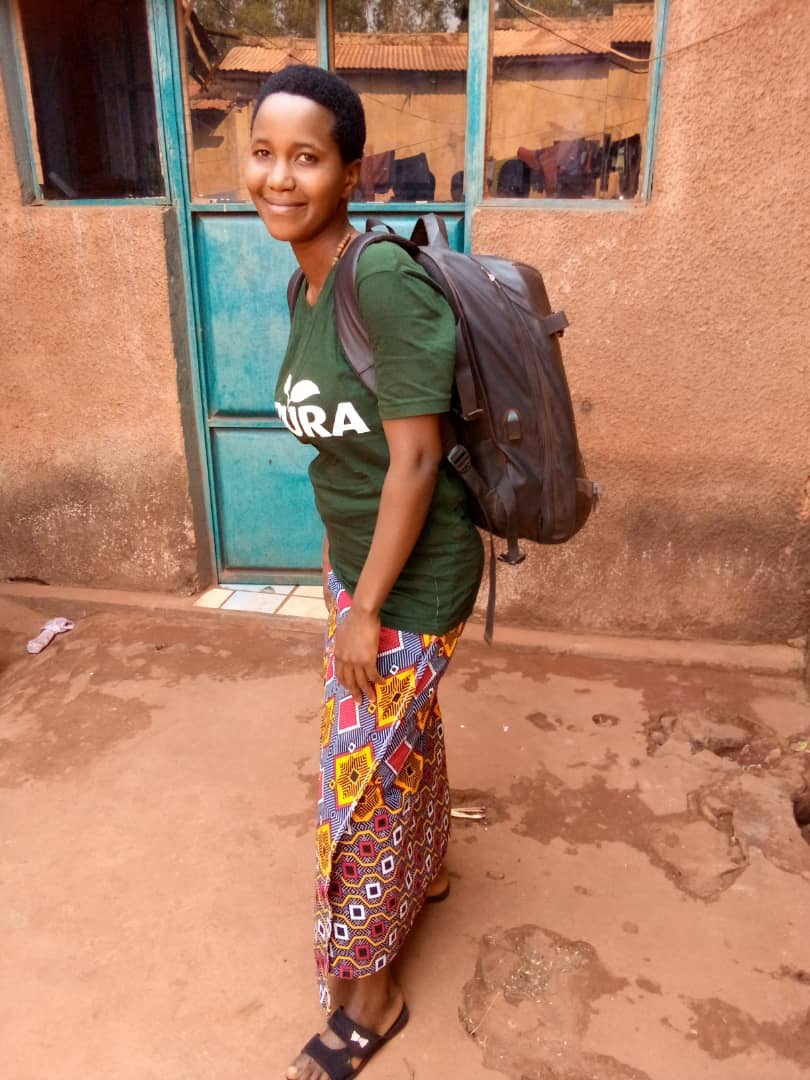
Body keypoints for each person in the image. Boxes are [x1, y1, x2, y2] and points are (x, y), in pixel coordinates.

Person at [245, 65, 484, 1080]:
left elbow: (419, 455)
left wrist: (368, 609)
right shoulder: (305, 277)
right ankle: (426, 874)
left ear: (349, 170)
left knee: (359, 789)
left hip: (410, 586)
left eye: (307, 157)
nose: (280, 176)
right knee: (402, 742)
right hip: (359, 568)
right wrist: (345, 582)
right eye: (264, 152)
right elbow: (350, 449)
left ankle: (372, 996)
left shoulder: (374, 276)